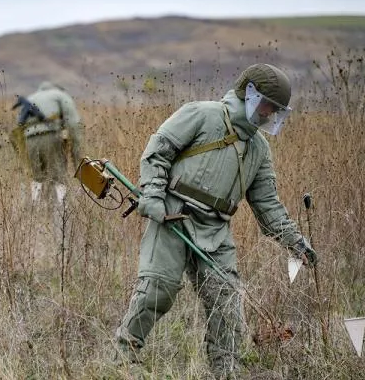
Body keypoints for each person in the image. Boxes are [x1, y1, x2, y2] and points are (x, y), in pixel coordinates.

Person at [113, 63, 318, 379]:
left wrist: (295, 242)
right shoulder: (202, 114)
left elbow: (267, 206)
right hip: (172, 214)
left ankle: (227, 372)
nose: (268, 113)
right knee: (158, 289)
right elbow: (158, 151)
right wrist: (153, 197)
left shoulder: (259, 150)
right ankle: (122, 360)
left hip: (216, 229)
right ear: (248, 94)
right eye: (266, 104)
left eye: (275, 110)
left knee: (227, 304)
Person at [17, 81, 82, 204]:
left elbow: (19, 123)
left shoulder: (31, 97)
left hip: (29, 138)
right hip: (52, 135)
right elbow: (73, 122)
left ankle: (35, 206)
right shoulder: (60, 95)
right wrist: (76, 153)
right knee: (58, 174)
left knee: (37, 176)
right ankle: (62, 208)